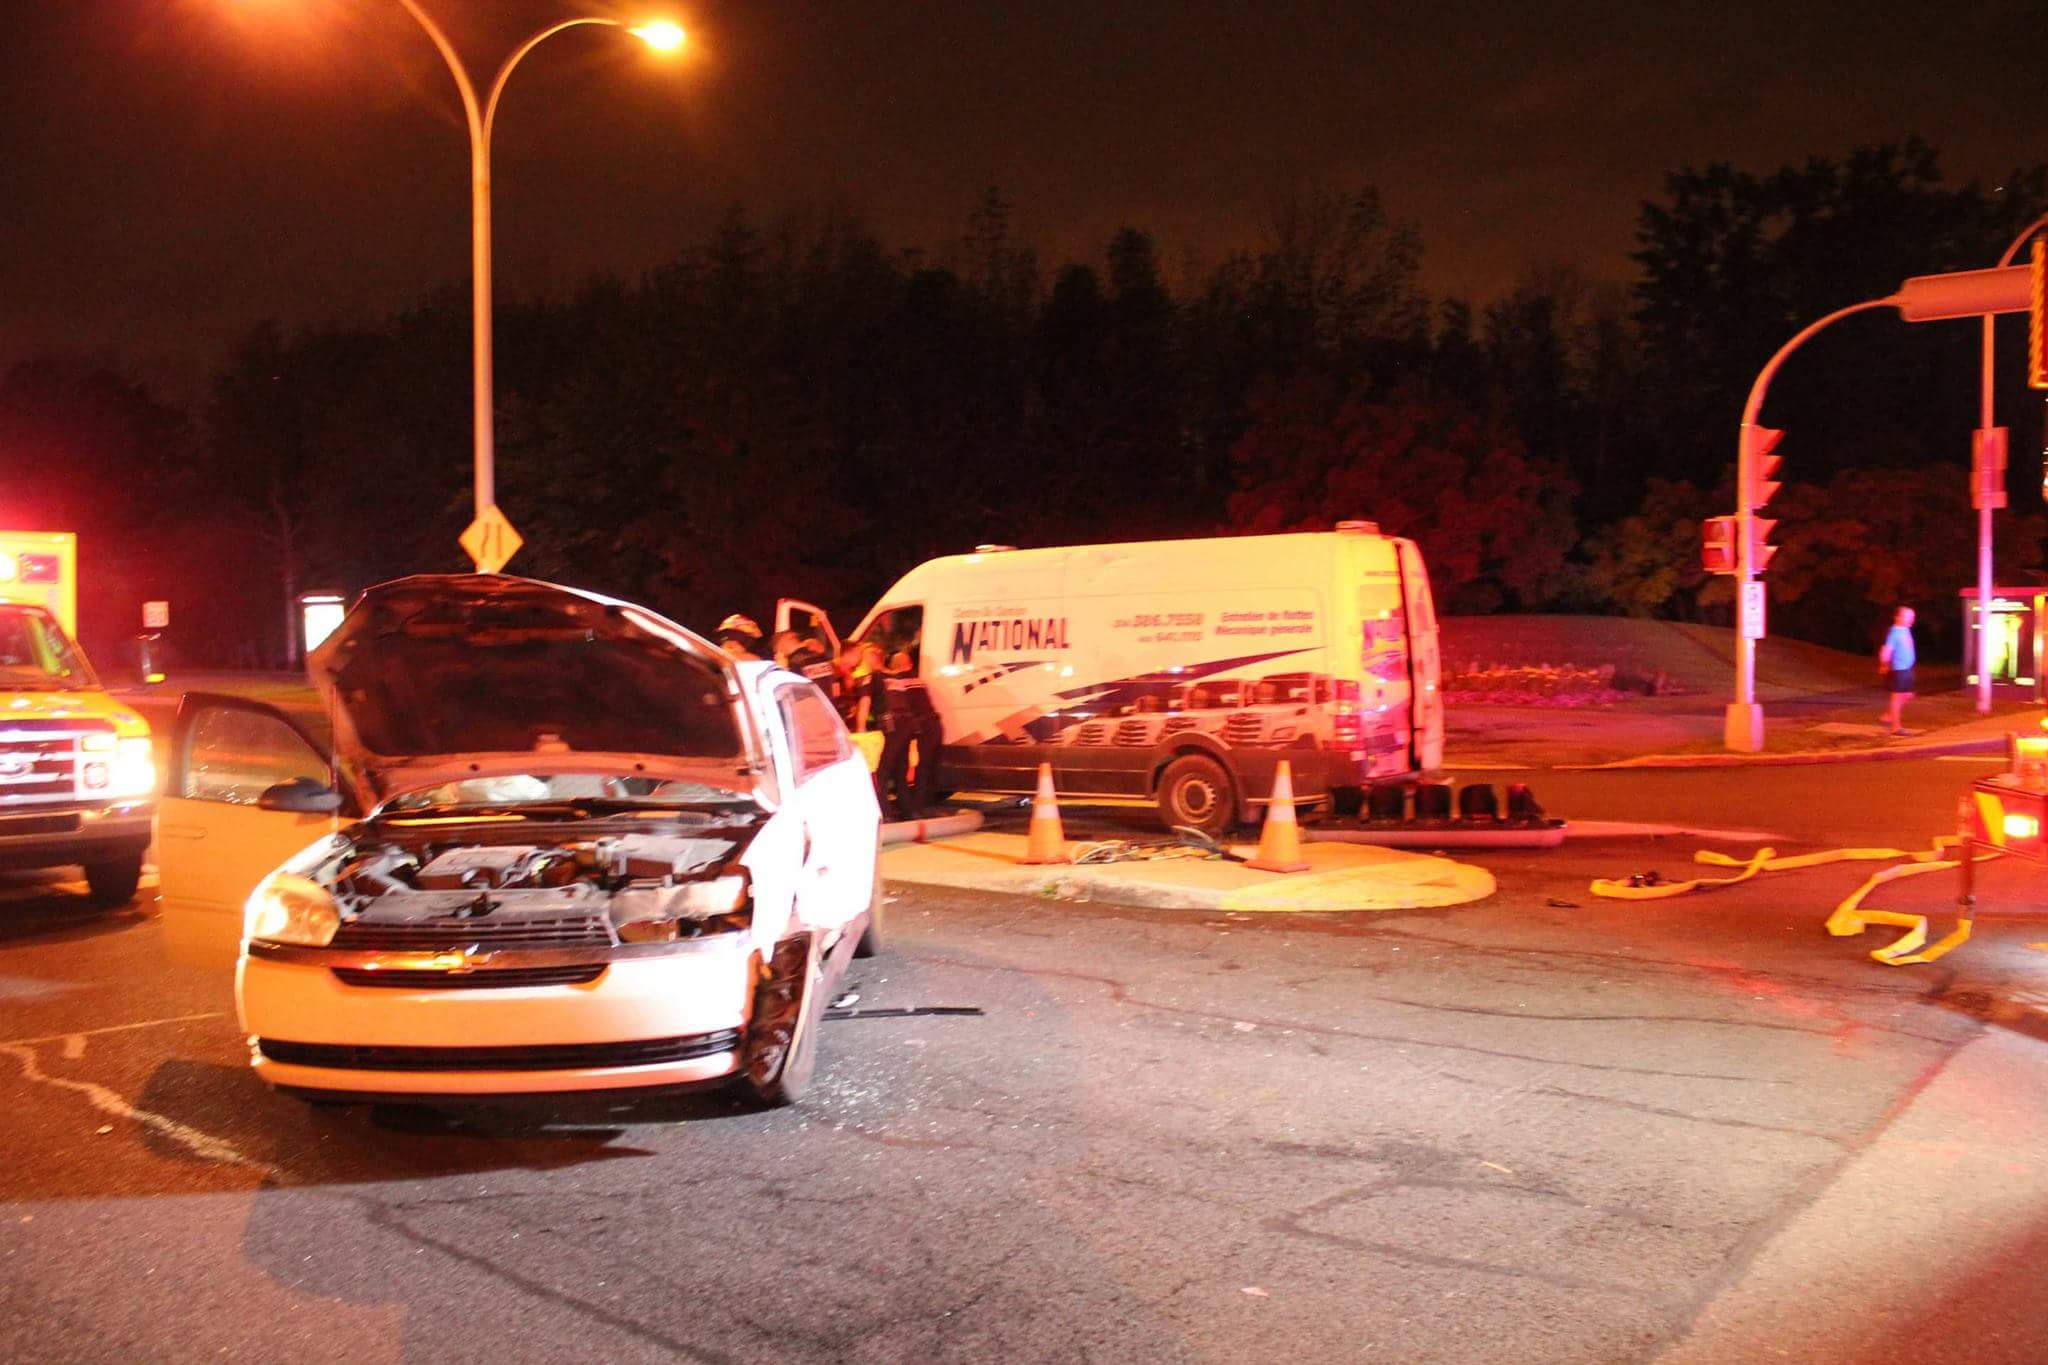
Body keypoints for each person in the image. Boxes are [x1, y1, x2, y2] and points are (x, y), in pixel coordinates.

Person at [877, 638, 944, 820]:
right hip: (930, 724)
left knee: (916, 769)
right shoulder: (914, 678)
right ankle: (918, 808)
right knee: (924, 768)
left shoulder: (900, 680)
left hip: (918, 726)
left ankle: (916, 808)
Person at [1878, 605, 1917, 735]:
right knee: (1897, 697)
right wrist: (1884, 664)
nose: (1911, 619)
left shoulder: (1905, 629)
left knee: (1908, 695)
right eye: (1908, 617)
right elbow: (1886, 650)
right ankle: (1896, 727)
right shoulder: (1894, 632)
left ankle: (1890, 715)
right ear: (1899, 617)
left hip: (1907, 669)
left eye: (1912, 617)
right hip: (1899, 670)